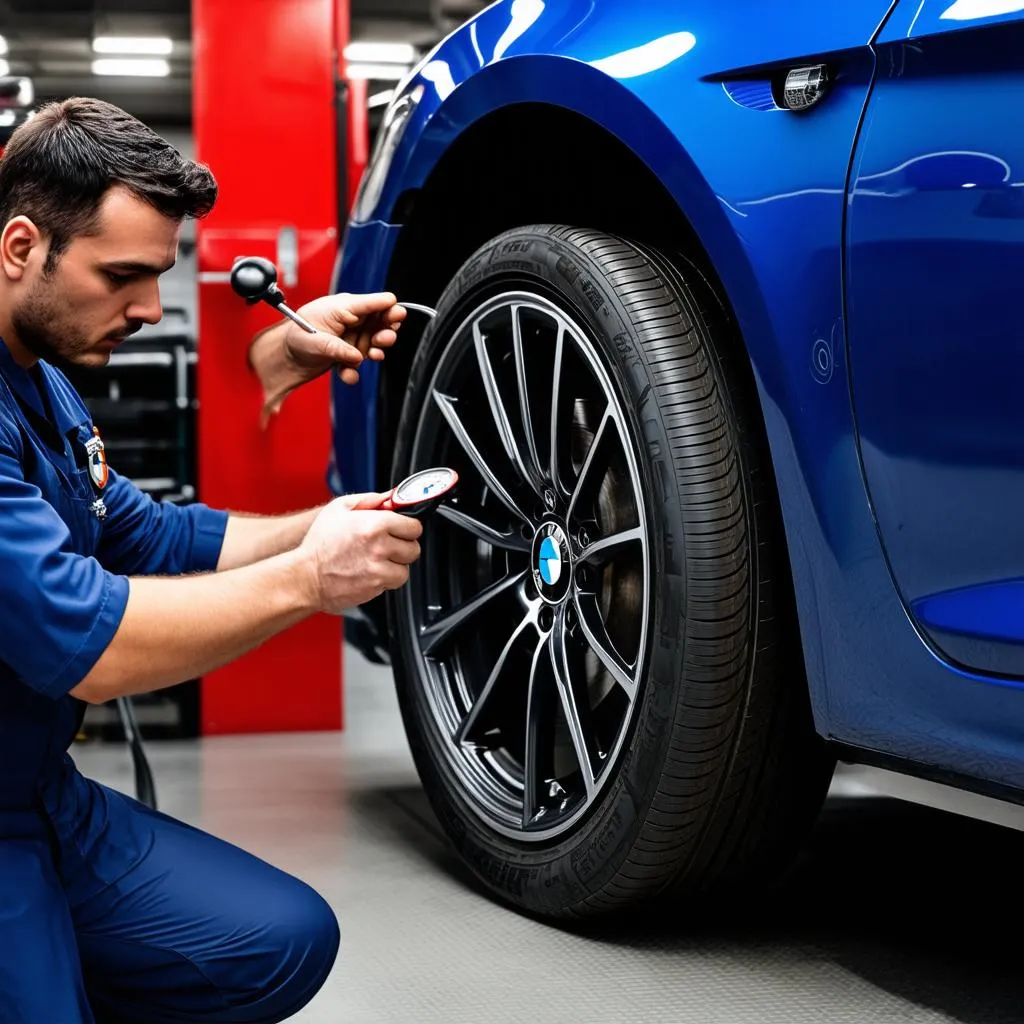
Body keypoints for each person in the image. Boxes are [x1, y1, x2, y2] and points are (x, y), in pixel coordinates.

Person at [0, 97, 422, 1024]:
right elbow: (89, 646)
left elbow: (150, 534)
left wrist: (323, 522)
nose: (151, 309)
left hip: (41, 791)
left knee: (280, 938)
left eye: (158, 276)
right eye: (123, 277)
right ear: (20, 247)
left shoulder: (46, 378)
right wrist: (311, 580)